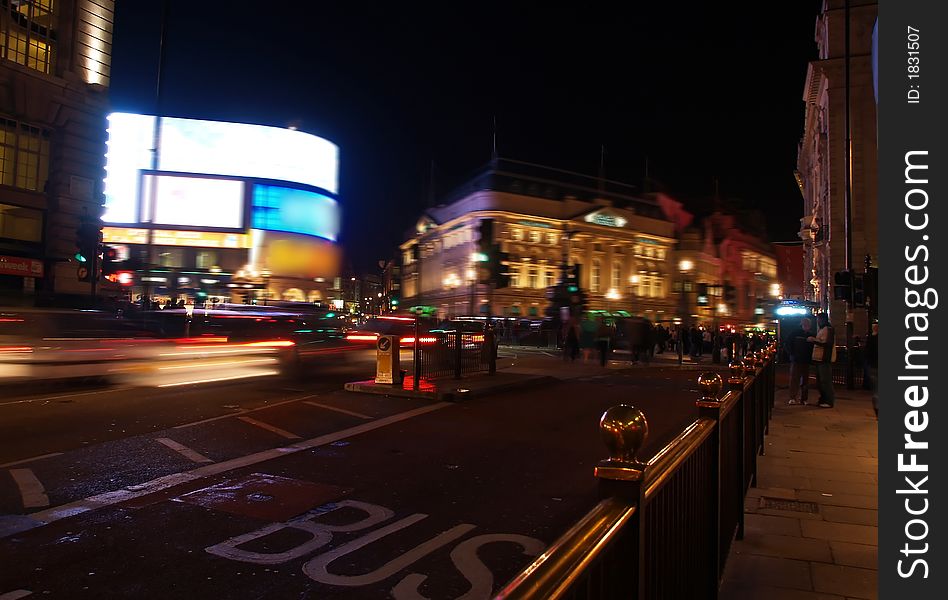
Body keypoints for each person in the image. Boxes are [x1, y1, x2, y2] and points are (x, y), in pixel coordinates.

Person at [808, 313, 836, 408]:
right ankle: (823, 399)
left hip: (824, 359)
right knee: (820, 381)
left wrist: (814, 340)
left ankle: (828, 401)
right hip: (819, 359)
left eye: (819, 320)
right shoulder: (823, 329)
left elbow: (826, 343)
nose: (818, 322)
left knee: (825, 381)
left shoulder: (828, 329)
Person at [786, 318, 814, 405]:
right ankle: (798, 398)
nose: (806, 326)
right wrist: (792, 354)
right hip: (799, 359)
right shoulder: (807, 335)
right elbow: (788, 344)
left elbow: (787, 344)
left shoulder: (797, 334)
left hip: (802, 359)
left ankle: (799, 398)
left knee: (800, 380)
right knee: (798, 379)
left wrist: (792, 354)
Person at [865, 321, 878, 417]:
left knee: (876, 390)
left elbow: (867, 352)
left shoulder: (871, 339)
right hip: (875, 364)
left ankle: (877, 409)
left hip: (873, 365)